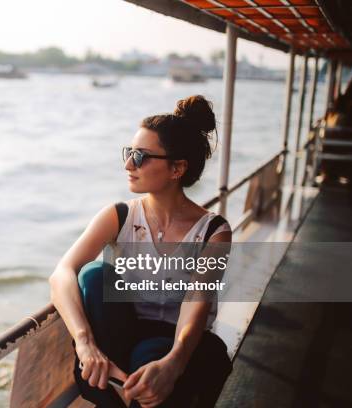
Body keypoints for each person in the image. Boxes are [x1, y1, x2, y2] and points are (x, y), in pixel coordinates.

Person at [49, 95, 233, 407]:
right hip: (122, 334)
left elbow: (196, 306)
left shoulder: (213, 231)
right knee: (94, 275)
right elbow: (62, 273)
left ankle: (125, 388)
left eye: (140, 156)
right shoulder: (119, 215)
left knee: (149, 358)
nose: (128, 164)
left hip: (176, 343)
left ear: (177, 168)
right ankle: (120, 383)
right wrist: (85, 344)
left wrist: (173, 364)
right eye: (129, 153)